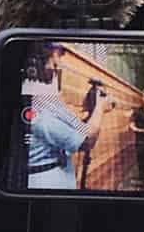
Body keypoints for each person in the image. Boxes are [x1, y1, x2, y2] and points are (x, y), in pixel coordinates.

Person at [22, 46, 113, 190]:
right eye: (54, 65)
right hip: (48, 188)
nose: (55, 72)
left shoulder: (33, 98)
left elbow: (72, 130)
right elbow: (87, 141)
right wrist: (100, 108)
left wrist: (93, 111)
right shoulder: (43, 105)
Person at [127, 89, 144, 189]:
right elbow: (131, 125)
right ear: (141, 98)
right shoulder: (137, 111)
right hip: (141, 142)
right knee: (142, 165)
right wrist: (140, 130)